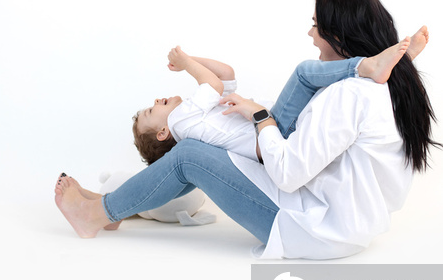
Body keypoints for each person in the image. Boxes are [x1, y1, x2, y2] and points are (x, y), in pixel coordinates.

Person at [55, 0, 439, 260]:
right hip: (343, 223)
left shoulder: (349, 94)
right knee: (196, 149)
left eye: (315, 26)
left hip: (317, 231)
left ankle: (96, 214)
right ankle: (111, 206)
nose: (309, 34)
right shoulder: (385, 88)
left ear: (338, 35)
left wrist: (259, 117)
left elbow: (289, 172)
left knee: (188, 155)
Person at [133, 41, 412, 165]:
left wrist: (189, 58)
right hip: (274, 130)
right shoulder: (182, 121)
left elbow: (225, 74)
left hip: (274, 126)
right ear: (162, 132)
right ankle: (372, 66)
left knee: (336, 93)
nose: (157, 101)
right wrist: (185, 64)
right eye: (151, 110)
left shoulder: (197, 116)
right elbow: (213, 84)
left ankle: (397, 65)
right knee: (305, 74)